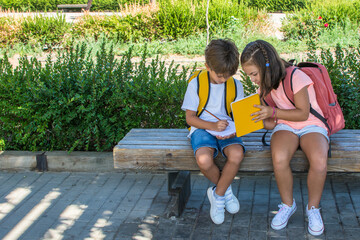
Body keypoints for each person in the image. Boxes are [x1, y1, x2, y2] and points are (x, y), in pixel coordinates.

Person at [240, 39, 328, 236]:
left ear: (265, 66)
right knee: (279, 158)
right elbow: (271, 123)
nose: (252, 79)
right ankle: (288, 204)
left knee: (319, 160)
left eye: (254, 74)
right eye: (249, 75)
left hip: (310, 124)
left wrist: (272, 111)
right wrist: (257, 118)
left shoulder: (296, 76)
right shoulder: (265, 85)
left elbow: (303, 114)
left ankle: (313, 209)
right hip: (285, 125)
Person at [181, 39, 245, 224]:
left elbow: (239, 116)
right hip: (202, 127)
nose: (224, 79)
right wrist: (212, 126)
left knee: (236, 154)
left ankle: (217, 195)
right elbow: (190, 118)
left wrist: (238, 126)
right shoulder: (196, 84)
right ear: (207, 66)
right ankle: (225, 189)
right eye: (220, 76)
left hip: (227, 129)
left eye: (228, 75)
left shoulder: (235, 85)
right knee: (203, 159)